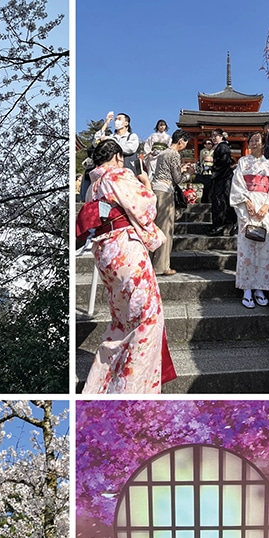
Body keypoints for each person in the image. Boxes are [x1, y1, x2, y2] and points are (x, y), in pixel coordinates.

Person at [82, 138, 176, 394]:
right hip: (125, 249)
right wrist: (147, 186)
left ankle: (100, 385)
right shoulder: (117, 174)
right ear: (116, 157)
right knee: (147, 318)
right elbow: (144, 207)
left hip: (105, 252)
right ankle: (133, 387)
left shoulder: (94, 185)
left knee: (121, 321)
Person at [229, 130, 269, 308]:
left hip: (264, 208)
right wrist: (247, 202)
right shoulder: (243, 162)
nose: (253, 143)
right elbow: (237, 184)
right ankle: (246, 288)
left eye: (257, 140)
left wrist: (267, 206)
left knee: (265, 247)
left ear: (263, 143)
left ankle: (261, 287)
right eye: (251, 140)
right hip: (247, 208)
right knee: (246, 247)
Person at [151, 130, 195, 276]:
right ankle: (161, 266)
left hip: (156, 190)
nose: (184, 147)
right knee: (166, 229)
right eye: (185, 144)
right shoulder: (174, 154)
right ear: (181, 141)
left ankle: (153, 262)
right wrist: (189, 173)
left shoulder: (163, 153)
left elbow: (167, 171)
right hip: (165, 192)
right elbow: (178, 179)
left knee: (157, 228)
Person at [209, 128, 237, 235]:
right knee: (220, 200)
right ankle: (224, 224)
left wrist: (213, 164)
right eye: (212, 136)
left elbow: (224, 161)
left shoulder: (223, 146)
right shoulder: (218, 147)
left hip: (223, 177)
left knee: (220, 201)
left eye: (215, 135)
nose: (213, 138)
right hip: (221, 177)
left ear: (221, 136)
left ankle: (220, 225)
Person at [197, 138, 214, 202]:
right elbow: (207, 158)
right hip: (205, 172)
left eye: (211, 143)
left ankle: (210, 200)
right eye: (209, 143)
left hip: (212, 171)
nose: (210, 145)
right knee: (206, 187)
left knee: (211, 188)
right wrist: (213, 150)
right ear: (205, 145)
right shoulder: (203, 151)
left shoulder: (213, 151)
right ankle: (204, 201)